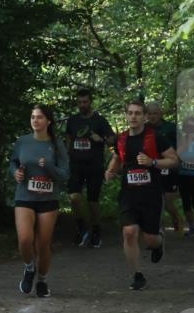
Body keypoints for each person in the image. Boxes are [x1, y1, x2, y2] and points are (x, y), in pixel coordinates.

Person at [104, 100, 179, 291]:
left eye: (138, 113)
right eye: (130, 113)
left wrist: (152, 162)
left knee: (150, 239)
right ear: (126, 115)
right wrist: (110, 172)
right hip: (129, 194)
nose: (134, 117)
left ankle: (158, 244)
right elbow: (117, 159)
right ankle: (137, 275)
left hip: (151, 194)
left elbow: (173, 160)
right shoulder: (121, 139)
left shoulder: (156, 137)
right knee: (129, 233)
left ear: (145, 116)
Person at [8, 105, 69, 298]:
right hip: (24, 196)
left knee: (43, 244)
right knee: (25, 239)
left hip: (48, 199)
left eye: (40, 117)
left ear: (48, 121)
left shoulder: (56, 144)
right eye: (33, 117)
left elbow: (64, 175)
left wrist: (49, 167)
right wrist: (15, 173)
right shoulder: (22, 142)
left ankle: (42, 280)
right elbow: (13, 162)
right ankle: (29, 267)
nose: (35, 120)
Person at [65, 88, 116, 248]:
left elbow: (112, 139)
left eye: (85, 102)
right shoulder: (72, 120)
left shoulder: (99, 120)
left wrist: (101, 139)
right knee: (74, 197)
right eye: (80, 102)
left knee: (93, 201)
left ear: (90, 101)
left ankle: (96, 231)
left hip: (94, 166)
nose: (82, 105)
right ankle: (81, 227)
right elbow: (68, 138)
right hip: (75, 165)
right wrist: (68, 151)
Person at [146, 102, 184, 234]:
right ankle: (158, 229)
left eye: (155, 113)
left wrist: (178, 158)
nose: (152, 117)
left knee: (168, 203)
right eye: (149, 114)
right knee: (154, 201)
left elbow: (183, 145)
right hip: (152, 168)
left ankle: (177, 218)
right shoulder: (144, 129)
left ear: (160, 113)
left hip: (170, 169)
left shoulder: (170, 128)